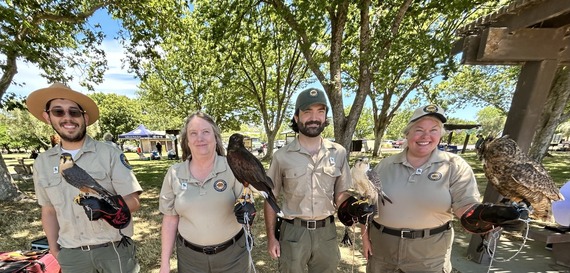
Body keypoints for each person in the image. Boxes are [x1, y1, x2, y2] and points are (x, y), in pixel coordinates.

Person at [362, 104, 528, 273]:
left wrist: (490, 215)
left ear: (440, 135)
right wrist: (364, 237)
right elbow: (368, 207)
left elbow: (466, 207)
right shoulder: (384, 165)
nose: (426, 136)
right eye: (419, 130)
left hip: (429, 252)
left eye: (434, 130)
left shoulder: (454, 165)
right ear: (407, 133)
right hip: (382, 246)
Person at [26, 82, 143, 272]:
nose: (67, 118)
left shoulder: (109, 153)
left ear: (85, 117)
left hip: (113, 249)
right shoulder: (43, 162)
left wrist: (106, 209)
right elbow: (48, 210)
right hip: (72, 254)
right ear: (47, 117)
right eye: (58, 112)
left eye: (74, 112)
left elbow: (134, 200)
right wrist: (55, 250)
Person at [264, 88, 373, 272]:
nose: (314, 117)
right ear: (297, 117)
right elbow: (270, 199)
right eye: (307, 112)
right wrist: (271, 237)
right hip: (293, 232)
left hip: (326, 233)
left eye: (320, 112)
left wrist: (354, 206)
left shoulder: (338, 153)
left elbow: (341, 194)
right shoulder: (281, 156)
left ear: (325, 117)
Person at [158, 111, 255, 273]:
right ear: (187, 141)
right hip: (190, 259)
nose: (200, 138)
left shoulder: (233, 167)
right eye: (193, 133)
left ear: (215, 138)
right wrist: (165, 263)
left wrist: (248, 211)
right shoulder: (174, 173)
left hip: (233, 256)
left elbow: (248, 206)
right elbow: (169, 219)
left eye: (205, 132)